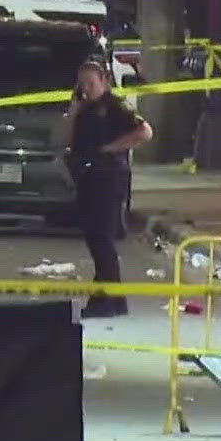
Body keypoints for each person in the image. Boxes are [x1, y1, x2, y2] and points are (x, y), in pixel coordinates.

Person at [62, 60, 153, 318]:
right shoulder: (84, 108)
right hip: (87, 178)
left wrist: (110, 149)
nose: (87, 88)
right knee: (94, 238)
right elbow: (68, 138)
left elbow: (144, 132)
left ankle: (110, 299)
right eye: (82, 84)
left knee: (102, 239)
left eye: (91, 83)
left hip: (108, 177)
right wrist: (74, 110)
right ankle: (108, 296)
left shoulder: (115, 105)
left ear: (104, 81)